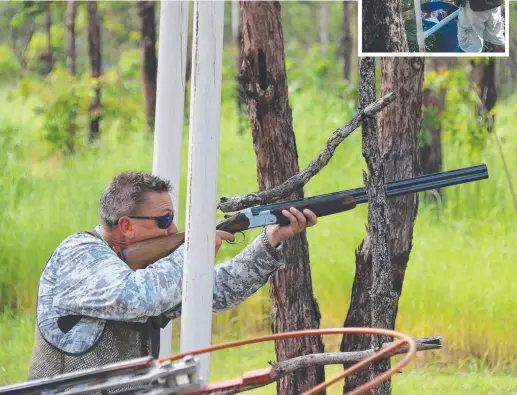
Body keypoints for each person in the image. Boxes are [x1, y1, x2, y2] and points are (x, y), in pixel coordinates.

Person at [27, 172, 318, 380]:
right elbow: (139, 299)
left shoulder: (143, 269)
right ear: (126, 226)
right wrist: (193, 251)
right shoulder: (78, 253)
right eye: (164, 219)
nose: (173, 228)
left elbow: (215, 291)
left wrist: (270, 240)